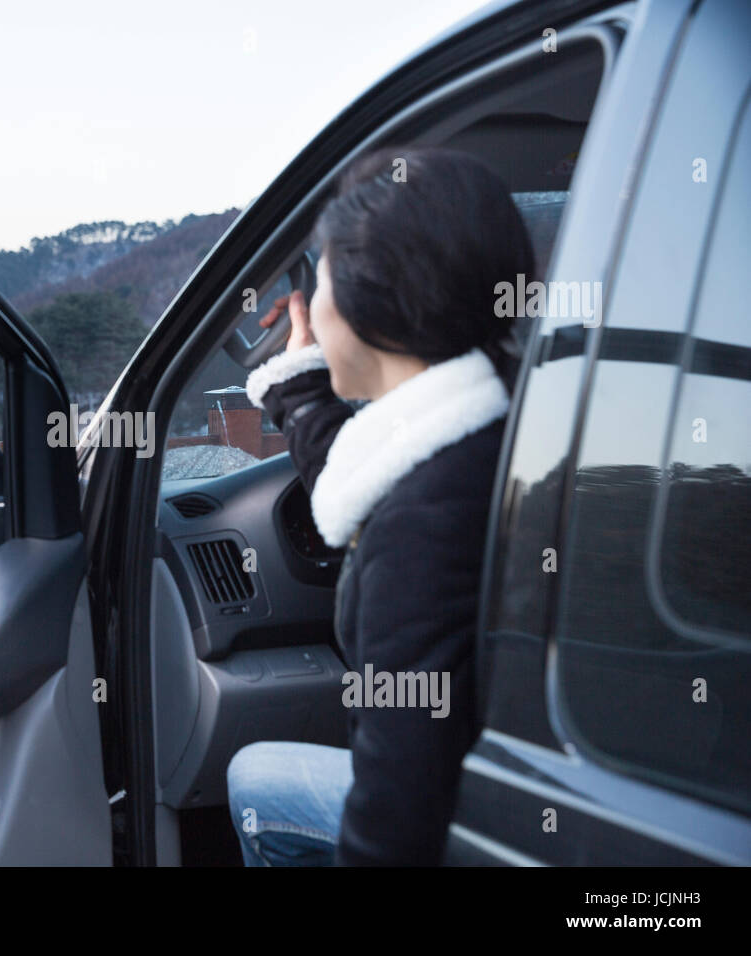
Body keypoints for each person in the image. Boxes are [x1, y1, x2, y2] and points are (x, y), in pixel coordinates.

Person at [226, 145, 534, 865]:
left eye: (323, 275)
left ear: (372, 296)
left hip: (471, 826)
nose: (315, 304)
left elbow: (399, 810)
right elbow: (367, 464)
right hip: (518, 799)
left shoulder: (423, 526)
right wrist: (299, 386)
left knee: (250, 776)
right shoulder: (504, 425)